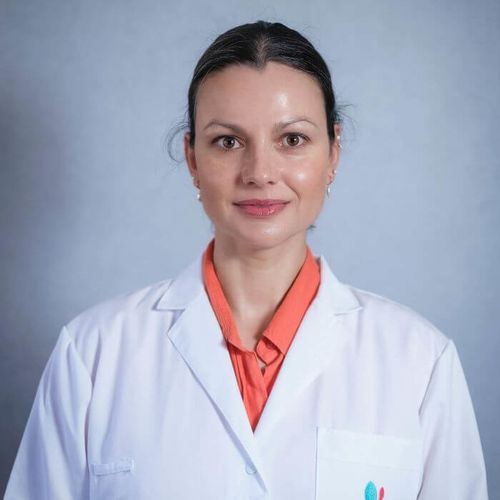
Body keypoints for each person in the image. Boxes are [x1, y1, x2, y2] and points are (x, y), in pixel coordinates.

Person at [5, 20, 488, 500]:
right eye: (228, 142)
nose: (260, 172)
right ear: (192, 159)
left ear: (333, 154)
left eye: (292, 139)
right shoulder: (93, 355)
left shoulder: (420, 361)